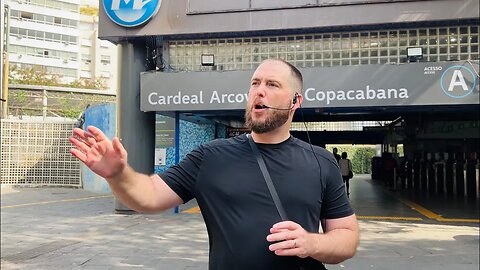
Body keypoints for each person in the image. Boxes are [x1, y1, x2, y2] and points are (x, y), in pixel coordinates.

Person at [69, 59, 359, 270]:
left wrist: (312, 243)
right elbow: (151, 195)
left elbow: (346, 238)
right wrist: (119, 174)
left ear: (296, 101)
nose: (259, 91)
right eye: (255, 83)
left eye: (272, 85)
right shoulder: (211, 156)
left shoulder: (321, 162)